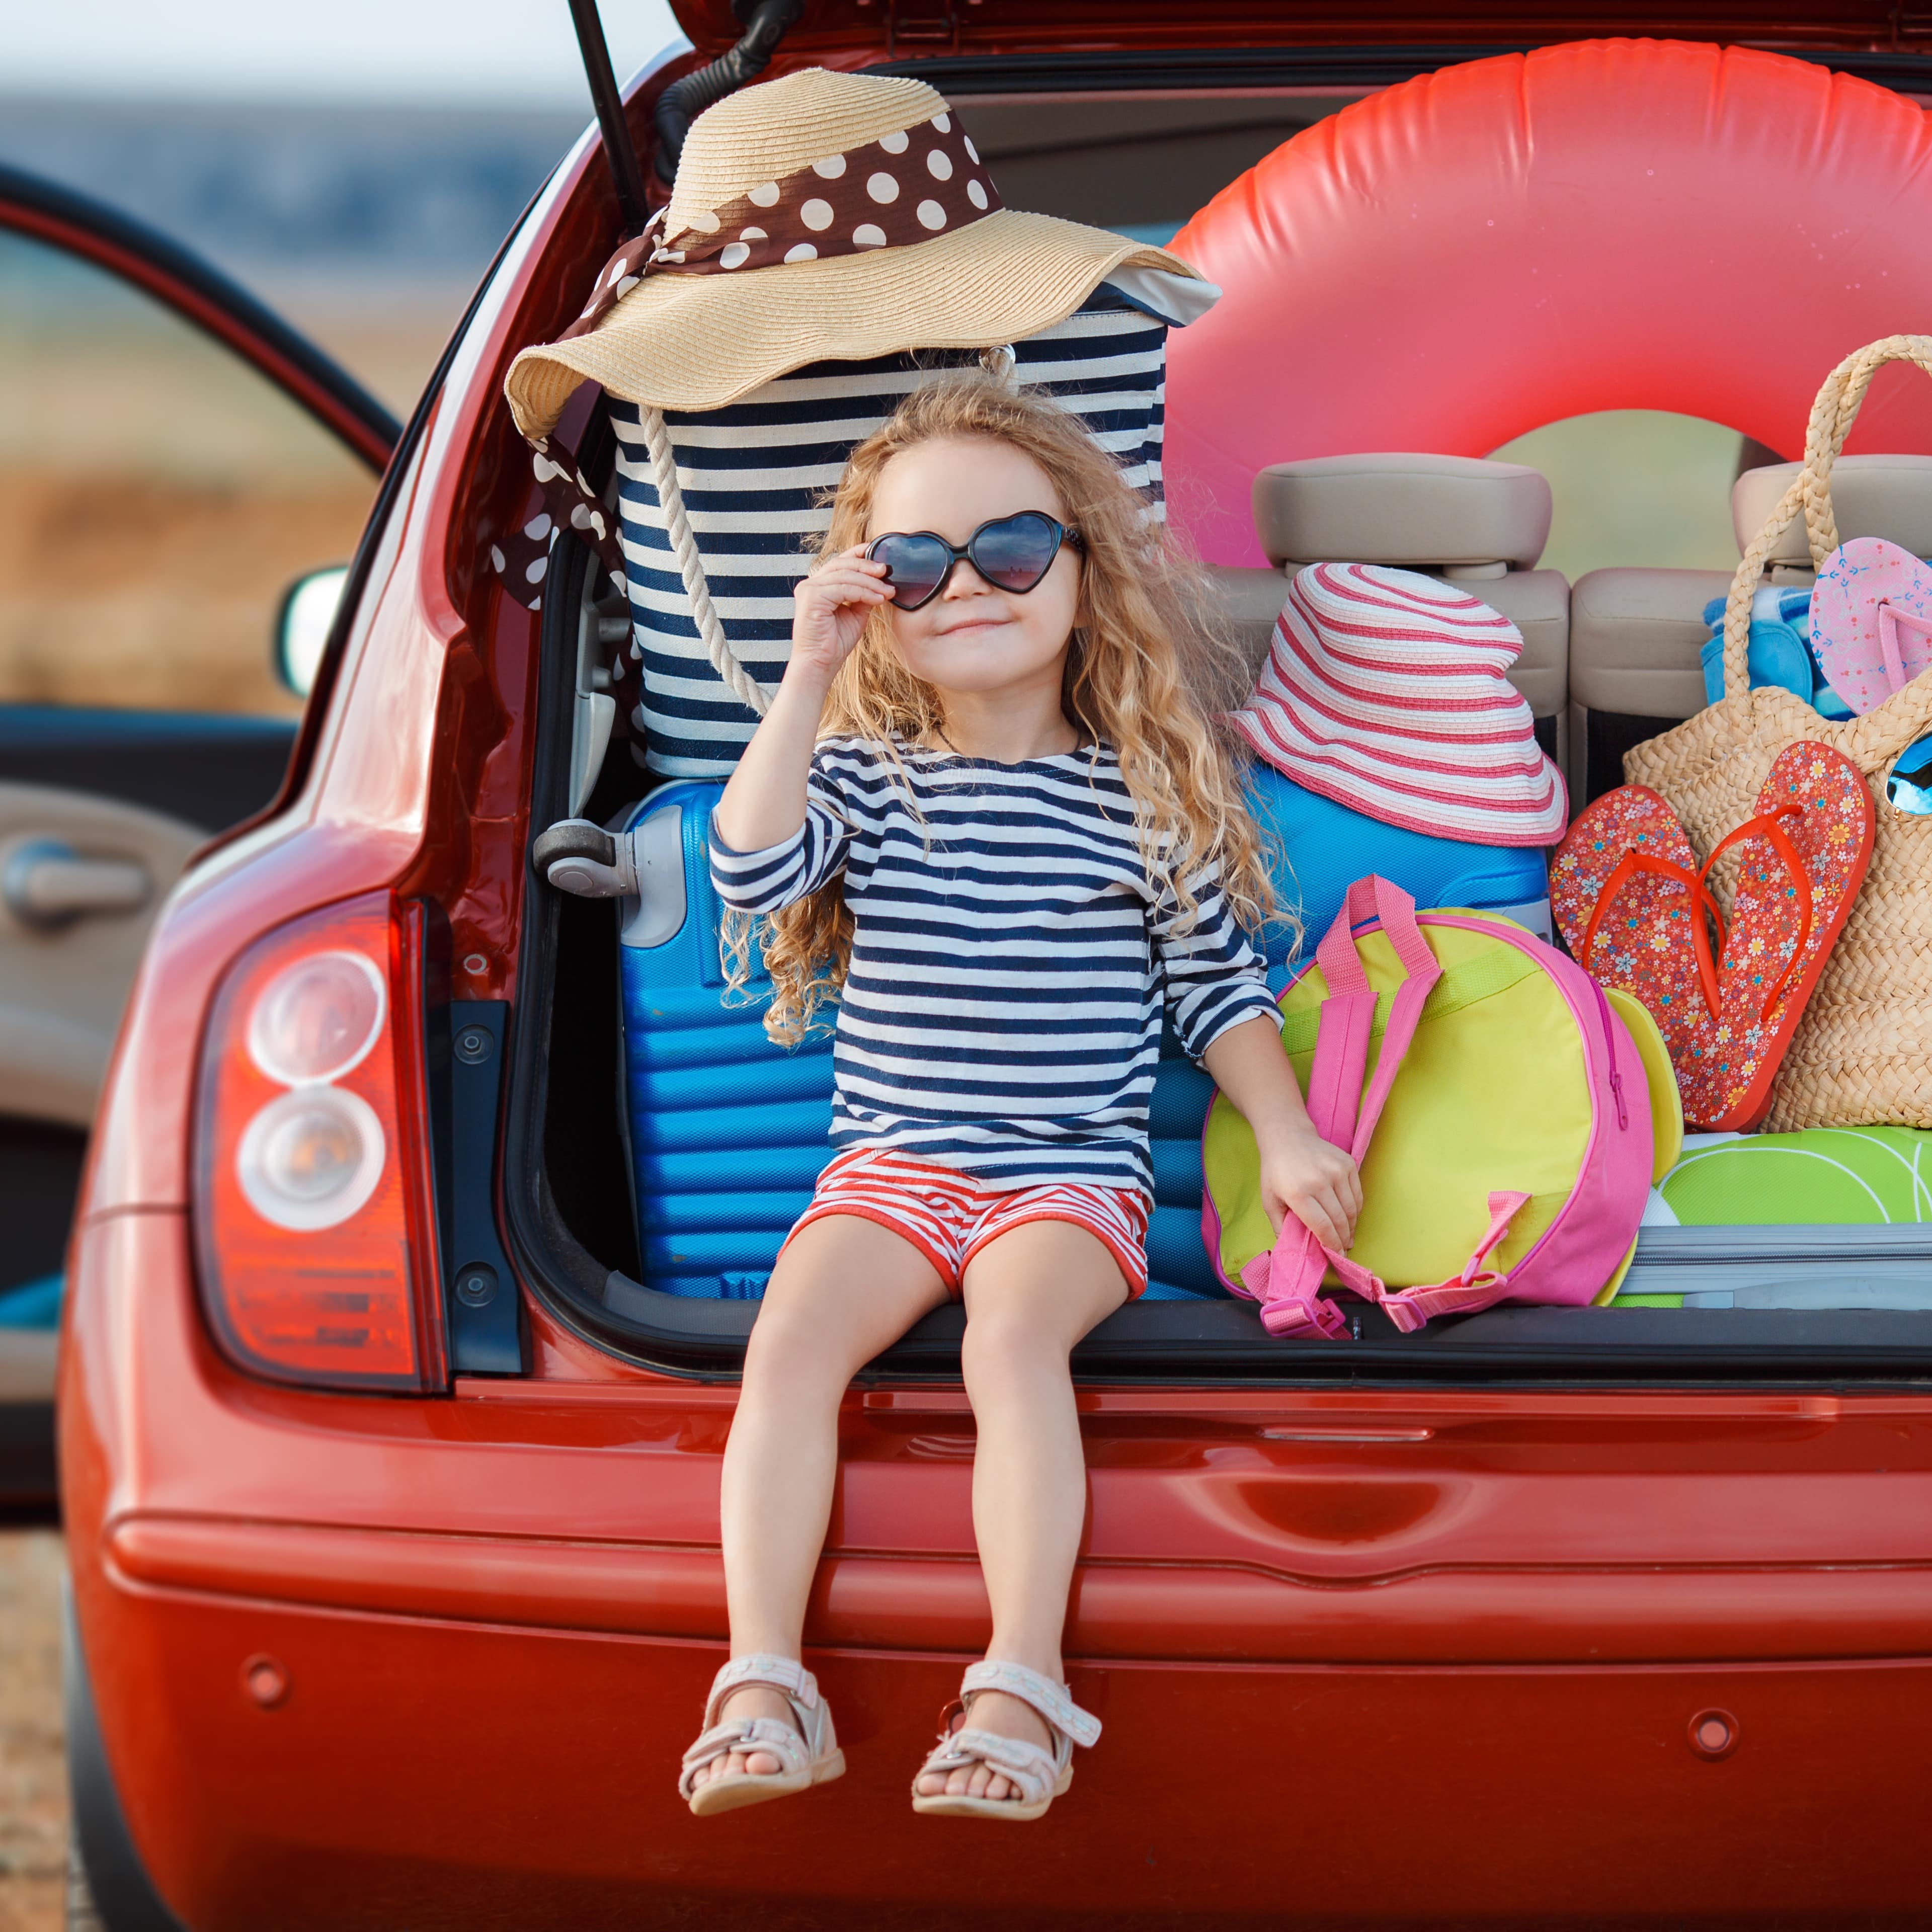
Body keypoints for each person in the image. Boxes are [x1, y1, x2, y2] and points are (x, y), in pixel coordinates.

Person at [677, 376, 1360, 1821]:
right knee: (790, 1345)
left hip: (1068, 1178)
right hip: (889, 1169)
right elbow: (741, 869)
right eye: (915, 564)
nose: (968, 586)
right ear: (876, 600)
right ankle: (761, 1682)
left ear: (1081, 567)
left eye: (1011, 549)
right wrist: (803, 673)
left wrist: (1288, 1133)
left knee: (1009, 1344)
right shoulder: (864, 783)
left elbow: (1215, 992)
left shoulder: (1140, 797)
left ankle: (1023, 1691)